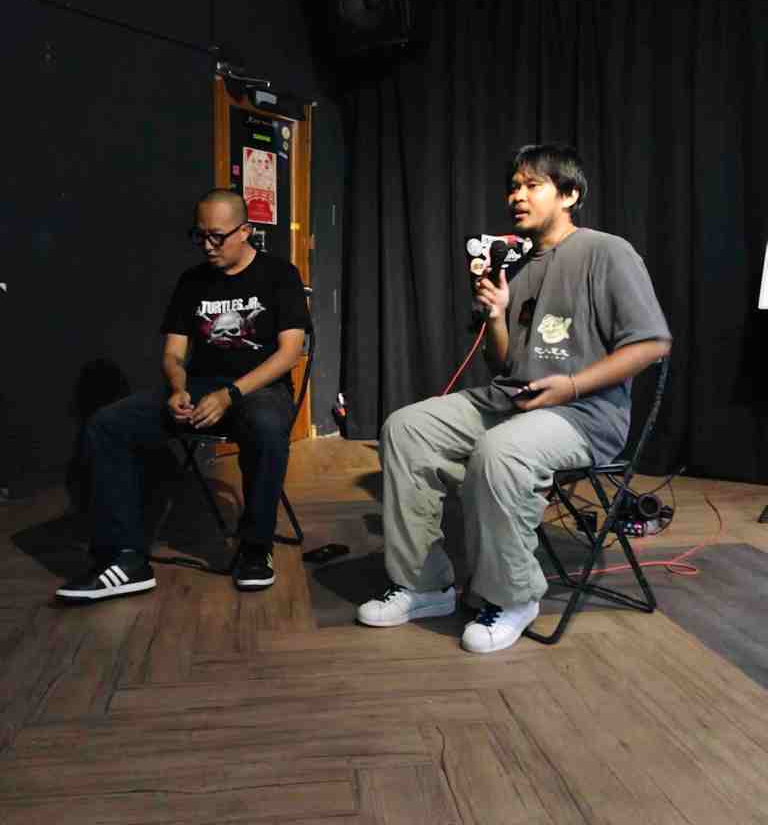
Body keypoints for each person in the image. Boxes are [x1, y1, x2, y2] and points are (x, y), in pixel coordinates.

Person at [357, 145, 672, 654]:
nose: (517, 196)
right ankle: (424, 584)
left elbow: (653, 344)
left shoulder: (607, 252)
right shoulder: (518, 266)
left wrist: (571, 386)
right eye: (514, 186)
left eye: (532, 185)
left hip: (584, 413)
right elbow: (505, 365)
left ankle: (514, 596)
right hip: (513, 398)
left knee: (501, 451)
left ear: (569, 194)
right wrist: (497, 315)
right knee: (406, 428)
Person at [56, 189, 310, 602]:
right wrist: (177, 388)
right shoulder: (192, 281)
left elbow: (289, 353)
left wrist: (230, 394)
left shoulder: (279, 275)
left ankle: (255, 547)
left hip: (258, 387)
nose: (207, 246)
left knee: (266, 424)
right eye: (200, 235)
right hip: (199, 386)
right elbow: (174, 353)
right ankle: (125, 558)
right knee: (106, 425)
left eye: (217, 236)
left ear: (245, 231)